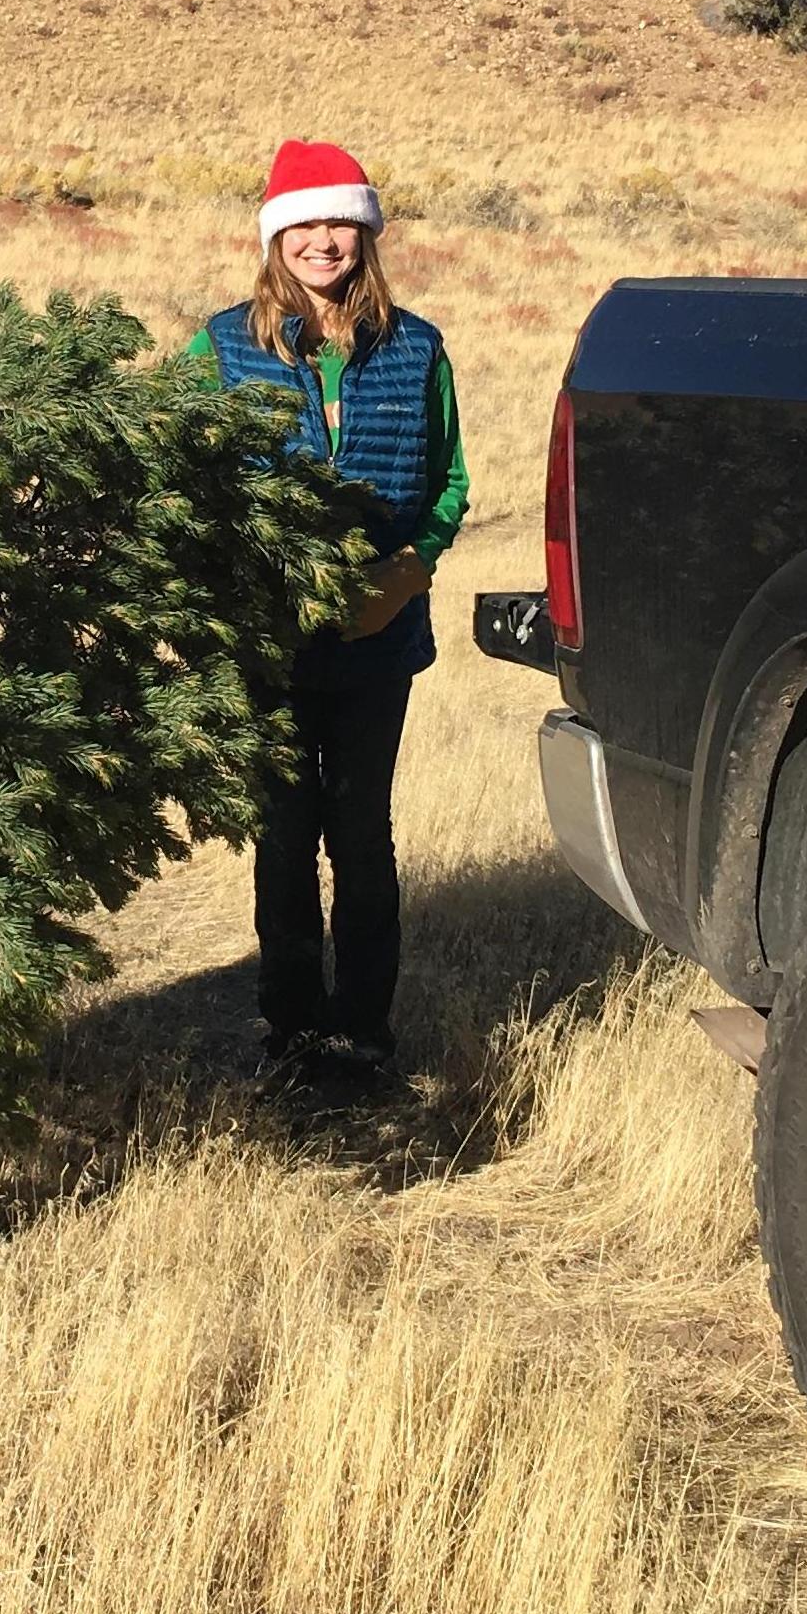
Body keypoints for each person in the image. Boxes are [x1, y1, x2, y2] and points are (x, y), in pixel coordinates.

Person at [191, 140, 467, 1080]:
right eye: (302, 222)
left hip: (376, 644)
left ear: (366, 232)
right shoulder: (223, 345)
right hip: (265, 642)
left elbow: (449, 480)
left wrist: (412, 570)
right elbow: (180, 483)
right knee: (282, 831)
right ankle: (293, 1029)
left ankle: (364, 1034)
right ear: (275, 238)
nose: (322, 240)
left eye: (337, 221)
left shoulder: (417, 346)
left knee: (361, 834)